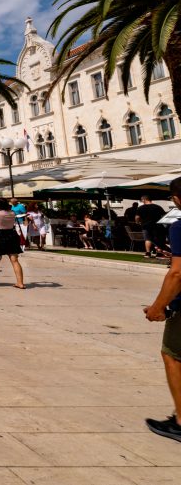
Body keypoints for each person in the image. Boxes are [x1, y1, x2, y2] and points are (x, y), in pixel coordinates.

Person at [143, 176, 181, 442]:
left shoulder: (179, 227)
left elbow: (177, 274)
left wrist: (158, 307)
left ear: (177, 199)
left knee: (172, 355)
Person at [0, 199, 26, 289]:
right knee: (14, 260)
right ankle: (20, 283)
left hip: (0, 235)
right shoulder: (12, 213)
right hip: (12, 235)